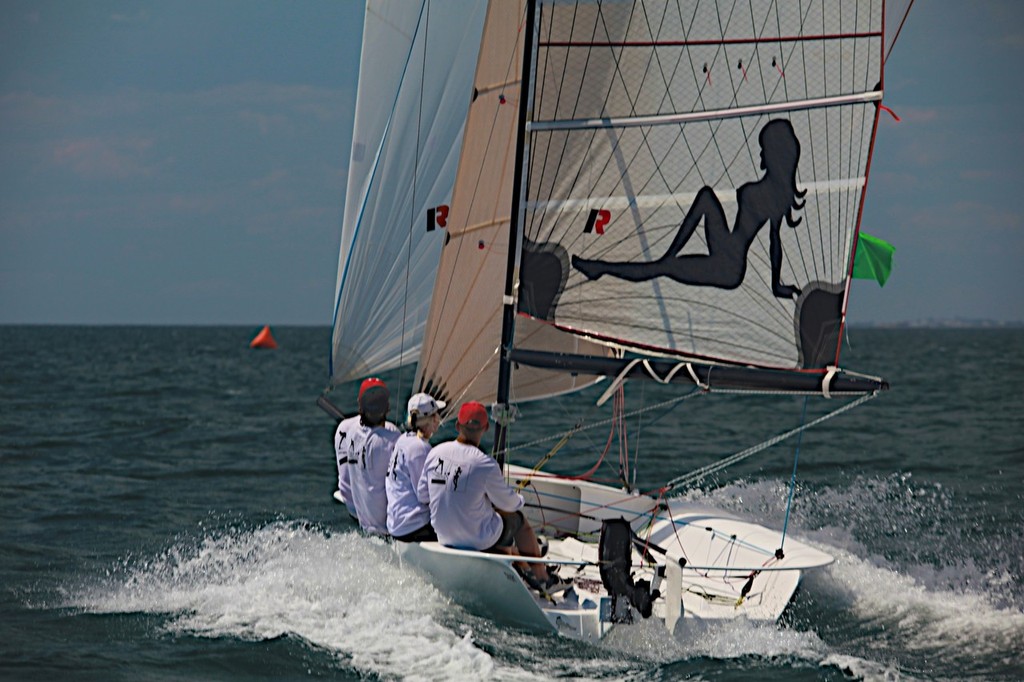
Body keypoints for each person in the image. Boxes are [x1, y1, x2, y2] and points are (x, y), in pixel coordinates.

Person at [571, 118, 807, 300]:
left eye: (764, 148)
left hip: (728, 267)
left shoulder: (771, 194)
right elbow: (774, 240)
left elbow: (774, 242)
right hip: (725, 248)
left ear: (774, 152)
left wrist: (777, 285)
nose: (761, 153)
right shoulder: (775, 192)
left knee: (661, 268)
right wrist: (776, 285)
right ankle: (636, 262)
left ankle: (602, 268)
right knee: (705, 196)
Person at [417, 401, 568, 594]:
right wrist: (520, 499)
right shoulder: (485, 464)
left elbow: (423, 495)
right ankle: (543, 579)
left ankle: (523, 569)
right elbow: (509, 504)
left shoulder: (435, 452)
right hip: (475, 540)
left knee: (490, 515)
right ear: (486, 428)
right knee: (517, 520)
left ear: (457, 426)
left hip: (444, 535)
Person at [386, 392, 445, 542]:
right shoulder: (420, 449)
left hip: (396, 523)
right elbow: (425, 495)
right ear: (431, 420)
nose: (439, 419)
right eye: (436, 414)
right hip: (412, 526)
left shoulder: (403, 440)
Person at [347, 377, 400, 536]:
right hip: (388, 530)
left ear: (360, 406)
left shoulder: (350, 432)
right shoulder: (390, 440)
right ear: (388, 407)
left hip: (365, 527)